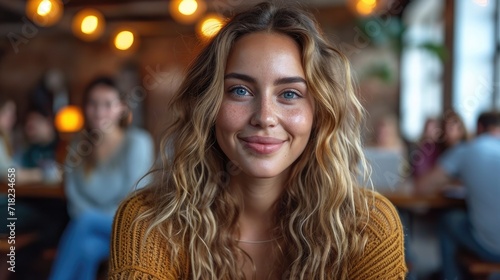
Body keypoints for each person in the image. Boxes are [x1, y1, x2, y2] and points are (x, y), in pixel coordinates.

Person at [109, 3, 407, 279]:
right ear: (207, 105)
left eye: (289, 94)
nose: (264, 117)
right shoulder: (149, 222)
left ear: (320, 112)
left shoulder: (369, 227)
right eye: (240, 90)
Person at [49, 77, 154, 280]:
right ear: (85, 108)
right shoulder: (78, 145)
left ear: (121, 108)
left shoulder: (138, 142)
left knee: (85, 221)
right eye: (93, 103)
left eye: (107, 104)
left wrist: (90, 217)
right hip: (89, 230)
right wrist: (88, 218)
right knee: (86, 250)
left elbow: (133, 199)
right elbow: (74, 195)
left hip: (129, 227)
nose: (99, 111)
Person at [416, 111, 500, 279]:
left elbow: (422, 186)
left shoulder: (466, 150)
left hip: (493, 248)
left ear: (479, 128)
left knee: (448, 220)